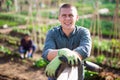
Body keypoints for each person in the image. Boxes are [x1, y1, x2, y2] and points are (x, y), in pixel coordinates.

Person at [42, 3, 92, 80]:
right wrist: (62, 51)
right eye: (64, 15)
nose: (67, 18)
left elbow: (85, 50)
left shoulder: (83, 32)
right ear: (59, 18)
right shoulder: (52, 33)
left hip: (76, 75)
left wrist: (60, 58)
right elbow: (46, 53)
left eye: (71, 15)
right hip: (55, 75)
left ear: (77, 17)